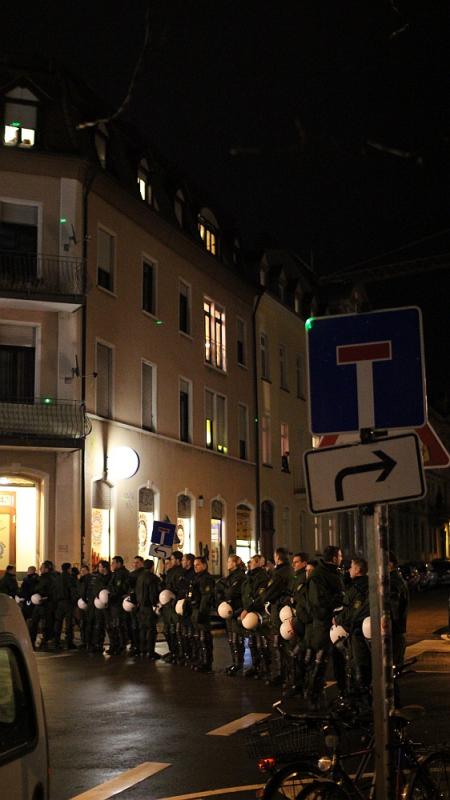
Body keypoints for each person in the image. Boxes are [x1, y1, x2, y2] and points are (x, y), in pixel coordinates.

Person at [307, 545, 345, 707]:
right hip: (324, 624)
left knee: (340, 660)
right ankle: (313, 697)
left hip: (336, 624)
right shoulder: (319, 575)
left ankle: (344, 694)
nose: (342, 558)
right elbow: (318, 602)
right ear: (334, 558)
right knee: (321, 661)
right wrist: (337, 602)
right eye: (340, 556)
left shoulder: (333, 572)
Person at [335, 557, 371, 700]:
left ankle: (362, 698)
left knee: (360, 663)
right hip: (358, 630)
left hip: (357, 631)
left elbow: (354, 611)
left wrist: (339, 618)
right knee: (358, 663)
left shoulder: (359, 587)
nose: (349, 569)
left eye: (351, 567)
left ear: (357, 569)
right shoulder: (359, 585)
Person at [257, 547, 293, 686]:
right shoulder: (290, 571)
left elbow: (269, 593)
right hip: (286, 610)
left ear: (277, 557)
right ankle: (288, 675)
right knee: (285, 644)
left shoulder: (279, 573)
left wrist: (263, 596)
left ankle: (279, 675)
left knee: (277, 644)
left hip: (278, 610)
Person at [240, 554, 270, 679]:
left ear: (258, 563)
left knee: (261, 642)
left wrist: (248, 609)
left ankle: (265, 668)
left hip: (258, 612)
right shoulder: (249, 576)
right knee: (252, 641)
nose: (249, 564)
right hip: (249, 612)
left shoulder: (262, 577)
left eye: (252, 562)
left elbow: (260, 597)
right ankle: (256, 666)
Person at [283, 552, 309, 696]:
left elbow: (301, 598)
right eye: (293, 562)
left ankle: (300, 684)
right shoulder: (295, 577)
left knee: (298, 653)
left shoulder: (304, 577)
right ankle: (296, 683)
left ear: (304, 563)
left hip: (301, 620)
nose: (293, 564)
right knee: (294, 652)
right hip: (294, 618)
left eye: (297, 562)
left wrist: (293, 600)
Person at [218, 555, 246, 676]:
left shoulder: (240, 576)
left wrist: (224, 589)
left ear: (235, 563)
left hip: (236, 609)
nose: (227, 563)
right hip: (228, 610)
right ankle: (234, 663)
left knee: (236, 638)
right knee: (231, 639)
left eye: (229, 561)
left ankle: (239, 664)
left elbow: (231, 592)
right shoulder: (230, 577)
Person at [187, 556, 215, 672]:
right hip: (195, 610)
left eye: (198, 565)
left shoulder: (206, 579)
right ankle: (200, 659)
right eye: (194, 565)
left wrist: (202, 612)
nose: (195, 567)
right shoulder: (196, 578)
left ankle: (206, 662)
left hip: (201, 611)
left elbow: (206, 597)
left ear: (204, 565)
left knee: (204, 638)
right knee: (198, 637)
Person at [161, 551, 185, 663]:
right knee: (168, 630)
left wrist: (174, 597)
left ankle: (179, 653)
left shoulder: (180, 572)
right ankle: (173, 651)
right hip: (167, 605)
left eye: (172, 559)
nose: (169, 562)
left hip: (174, 605)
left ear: (178, 560)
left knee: (175, 631)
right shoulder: (170, 572)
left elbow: (180, 589)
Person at [134, 555, 161, 658]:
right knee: (151, 629)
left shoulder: (140, 577)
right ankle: (150, 651)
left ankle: (142, 650)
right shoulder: (152, 578)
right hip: (149, 607)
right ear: (152, 567)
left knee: (142, 629)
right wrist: (155, 604)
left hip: (141, 606)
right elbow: (153, 593)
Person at [29, 560, 57, 650]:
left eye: (42, 567)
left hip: (46, 604)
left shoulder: (50, 579)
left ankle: (44, 643)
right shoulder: (42, 578)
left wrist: (44, 597)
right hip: (40, 603)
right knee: (35, 623)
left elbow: (51, 592)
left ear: (47, 569)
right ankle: (34, 642)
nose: (40, 569)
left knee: (45, 624)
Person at [106, 556, 130, 655]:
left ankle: (121, 645)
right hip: (113, 603)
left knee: (119, 625)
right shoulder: (115, 573)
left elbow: (119, 589)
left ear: (119, 563)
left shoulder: (122, 574)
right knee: (113, 625)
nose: (112, 565)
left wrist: (111, 594)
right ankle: (115, 645)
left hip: (118, 603)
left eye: (113, 563)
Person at [389, 551, 409, 668]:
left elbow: (394, 606)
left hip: (394, 630)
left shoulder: (392, 581)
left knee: (394, 666)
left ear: (390, 564)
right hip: (398, 630)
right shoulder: (397, 579)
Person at [54, 562, 78, 650]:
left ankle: (56, 642)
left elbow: (55, 590)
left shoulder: (58, 578)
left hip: (59, 602)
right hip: (68, 602)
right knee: (69, 623)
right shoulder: (69, 578)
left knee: (58, 622)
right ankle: (69, 642)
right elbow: (72, 590)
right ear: (68, 569)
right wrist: (74, 600)